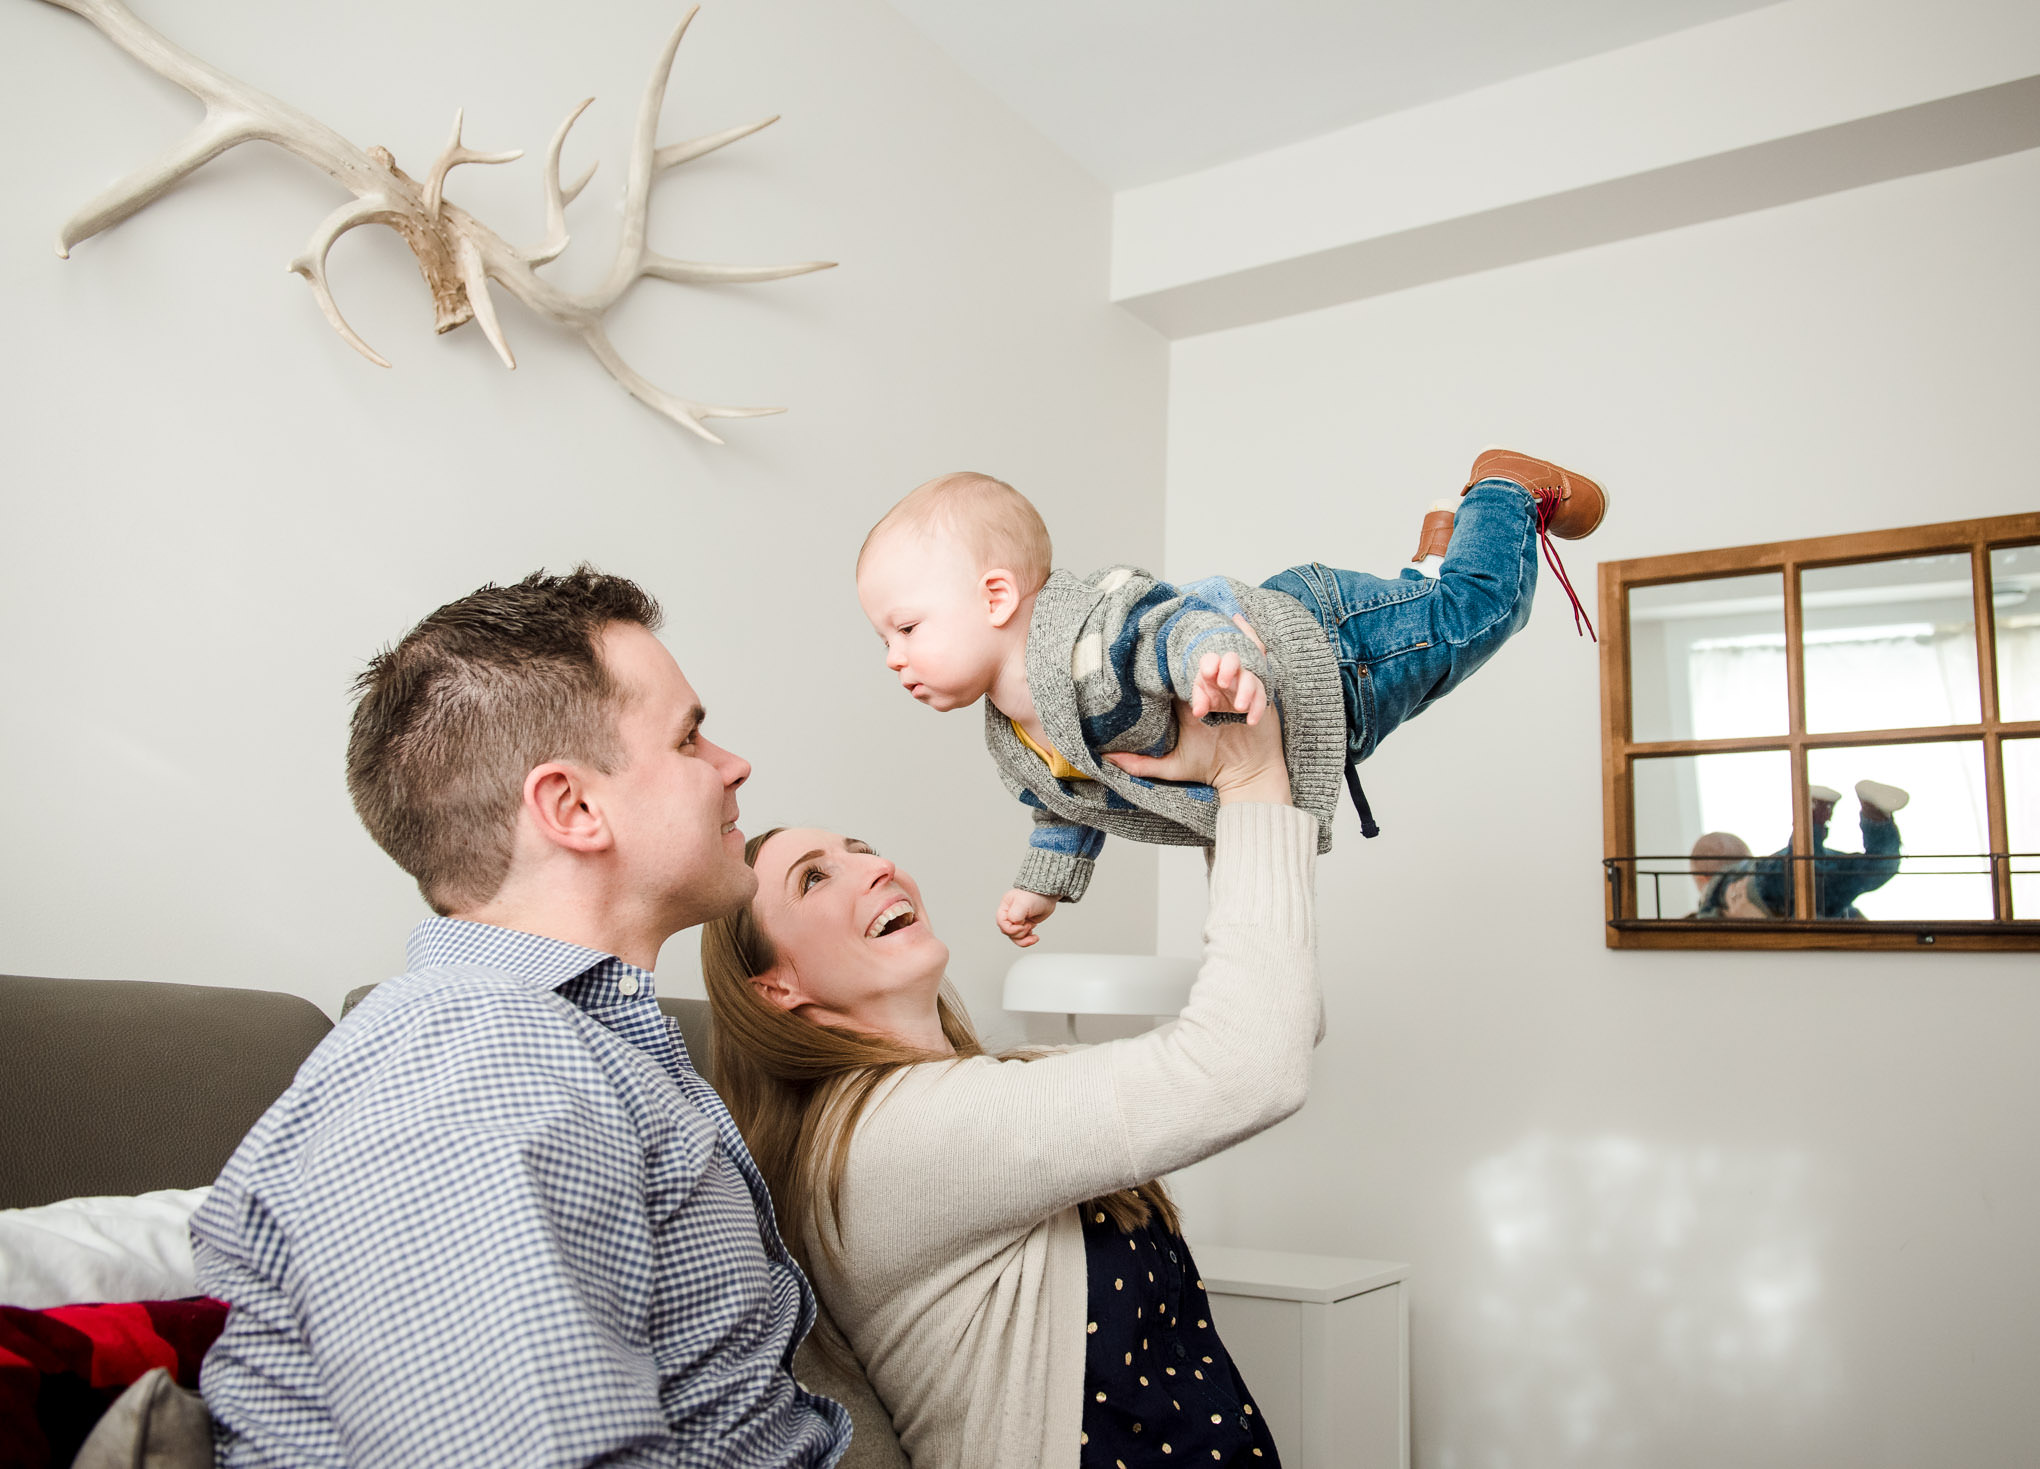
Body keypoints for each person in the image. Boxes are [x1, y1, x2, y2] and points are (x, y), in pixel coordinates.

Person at [190, 569, 856, 1467]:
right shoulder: (477, 1056)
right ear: (573, 807)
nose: (733, 765)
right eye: (690, 737)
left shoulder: (571, 1044)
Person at [701, 696, 1316, 1468]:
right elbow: (1252, 1063)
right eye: (815, 878)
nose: (877, 866)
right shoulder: (890, 1137)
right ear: (775, 987)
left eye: (863, 847)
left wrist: (1219, 797)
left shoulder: (1000, 1085)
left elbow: (1276, 1016)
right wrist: (1251, 776)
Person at [854, 450, 1608, 946]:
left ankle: (1505, 490)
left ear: (994, 596)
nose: (894, 658)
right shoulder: (1013, 734)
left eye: (907, 627)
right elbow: (1068, 799)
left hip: (1326, 646)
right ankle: (1430, 554)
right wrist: (1042, 883)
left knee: (1473, 617)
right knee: (1422, 626)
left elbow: (1178, 618)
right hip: (1317, 722)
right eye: (885, 639)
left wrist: (1218, 660)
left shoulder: (1092, 627)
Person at [1702, 780, 1911, 920]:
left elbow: (1706, 927)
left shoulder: (1719, 885)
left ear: (1703, 876)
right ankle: (1874, 813)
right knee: (1879, 868)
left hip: (1768, 888)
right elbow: (1849, 913)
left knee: (1804, 867)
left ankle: (1813, 814)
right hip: (1823, 896)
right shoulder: (1754, 868)